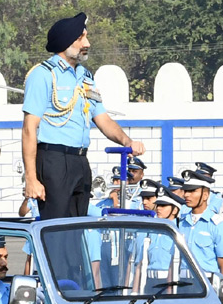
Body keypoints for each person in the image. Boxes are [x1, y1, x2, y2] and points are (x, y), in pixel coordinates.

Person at [22, 12, 141, 219]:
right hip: (54, 160)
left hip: (80, 161)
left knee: (77, 227)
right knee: (56, 229)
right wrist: (31, 178)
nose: (87, 43)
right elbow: (29, 128)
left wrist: (127, 141)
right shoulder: (43, 74)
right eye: (80, 38)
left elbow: (102, 118)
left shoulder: (85, 76)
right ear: (66, 42)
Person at [175, 168, 223, 298]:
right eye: (186, 191)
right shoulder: (181, 223)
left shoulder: (218, 225)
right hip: (183, 283)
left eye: (192, 191)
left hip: (207, 284)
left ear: (205, 195)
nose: (187, 195)